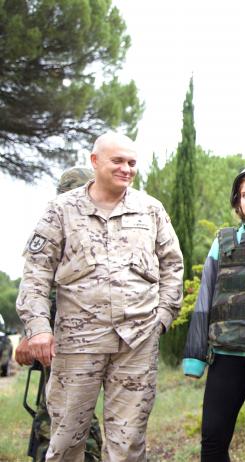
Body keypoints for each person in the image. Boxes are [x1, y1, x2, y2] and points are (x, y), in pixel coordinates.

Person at [16, 132, 184, 461]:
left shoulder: (150, 210)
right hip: (77, 344)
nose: (126, 169)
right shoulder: (60, 210)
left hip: (136, 344)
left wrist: (162, 319)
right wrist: (38, 327)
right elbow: (36, 272)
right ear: (95, 162)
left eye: (132, 163)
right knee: (65, 442)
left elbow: (172, 266)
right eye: (118, 161)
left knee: (128, 444)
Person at [183, 164, 245, 461]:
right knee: (213, 437)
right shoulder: (223, 241)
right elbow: (204, 300)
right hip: (225, 355)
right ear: (237, 202)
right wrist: (195, 357)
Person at [15, 167, 103, 462]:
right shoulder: (52, 226)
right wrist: (32, 332)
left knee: (76, 414)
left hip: (92, 339)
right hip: (56, 340)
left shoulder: (106, 228)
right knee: (54, 413)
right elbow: (35, 285)